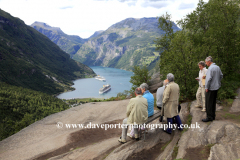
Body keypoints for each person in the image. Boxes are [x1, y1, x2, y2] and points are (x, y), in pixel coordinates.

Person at [202, 56, 223, 122]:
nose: (206, 64)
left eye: (206, 62)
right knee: (213, 102)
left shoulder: (210, 68)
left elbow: (208, 79)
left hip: (210, 88)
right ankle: (213, 116)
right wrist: (217, 82)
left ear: (209, 61)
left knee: (208, 103)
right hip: (216, 87)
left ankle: (209, 117)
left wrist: (206, 87)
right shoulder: (217, 67)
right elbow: (221, 76)